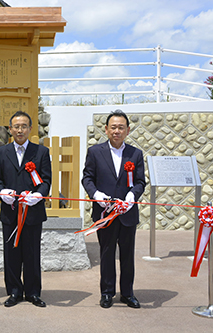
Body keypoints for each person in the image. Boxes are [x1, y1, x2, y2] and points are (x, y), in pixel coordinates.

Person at [82, 109, 146, 309]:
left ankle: (127, 293)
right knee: (107, 253)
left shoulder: (135, 153)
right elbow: (87, 178)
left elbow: (140, 182)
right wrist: (97, 195)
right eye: (113, 127)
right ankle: (107, 293)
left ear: (127, 130)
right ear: (106, 130)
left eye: (121, 127)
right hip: (105, 212)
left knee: (127, 254)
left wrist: (131, 196)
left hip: (127, 213)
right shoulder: (95, 152)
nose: (116, 131)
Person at [0, 111, 52, 308]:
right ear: (10, 129)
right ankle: (14, 292)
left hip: (33, 213)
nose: (20, 130)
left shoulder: (41, 152)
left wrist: (38, 195)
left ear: (30, 129)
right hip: (10, 212)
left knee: (32, 254)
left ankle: (33, 292)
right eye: (16, 126)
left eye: (24, 126)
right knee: (11, 254)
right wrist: (2, 192)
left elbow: (46, 180)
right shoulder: (2, 152)